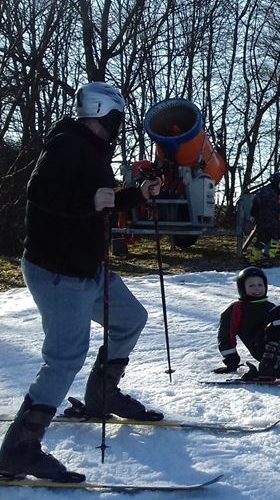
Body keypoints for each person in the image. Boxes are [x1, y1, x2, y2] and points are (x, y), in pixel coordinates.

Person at [0, 82, 163, 482]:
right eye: (116, 117)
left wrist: (137, 194)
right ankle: (18, 451)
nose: (119, 124)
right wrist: (88, 203)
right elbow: (39, 193)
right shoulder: (66, 145)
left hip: (88, 268)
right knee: (64, 358)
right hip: (58, 272)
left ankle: (101, 394)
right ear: (104, 113)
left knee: (130, 318)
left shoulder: (91, 151)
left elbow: (99, 199)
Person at [248, 172, 280, 262]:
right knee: (277, 232)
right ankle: (272, 253)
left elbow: (256, 202)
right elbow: (274, 205)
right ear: (276, 182)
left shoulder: (265, 190)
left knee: (262, 238)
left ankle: (254, 258)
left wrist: (253, 214)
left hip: (261, 218)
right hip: (268, 218)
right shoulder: (270, 192)